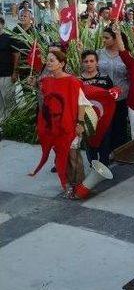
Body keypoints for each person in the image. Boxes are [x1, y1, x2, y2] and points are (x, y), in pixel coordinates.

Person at [31, 51, 90, 198]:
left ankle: (79, 188)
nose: (49, 63)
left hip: (70, 125)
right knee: (60, 157)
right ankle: (68, 185)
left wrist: (80, 123)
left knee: (73, 157)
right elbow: (45, 102)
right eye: (48, 60)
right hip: (54, 127)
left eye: (52, 60)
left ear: (62, 64)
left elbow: (81, 104)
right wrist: (34, 85)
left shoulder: (73, 81)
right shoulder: (46, 81)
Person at [97, 27, 130, 150]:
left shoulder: (125, 55)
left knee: (119, 127)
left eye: (107, 37)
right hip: (103, 99)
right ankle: (105, 155)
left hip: (121, 99)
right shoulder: (98, 53)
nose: (103, 40)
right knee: (104, 128)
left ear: (116, 39)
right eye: (103, 37)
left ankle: (118, 155)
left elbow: (131, 76)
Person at [79, 50, 114, 166]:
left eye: (92, 61)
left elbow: (111, 98)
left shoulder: (106, 79)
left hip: (104, 119)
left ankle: (104, 166)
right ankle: (93, 165)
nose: (89, 64)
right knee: (89, 145)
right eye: (86, 61)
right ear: (82, 63)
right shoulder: (78, 81)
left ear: (97, 63)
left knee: (105, 144)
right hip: (86, 119)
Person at [0, 16, 19, 119]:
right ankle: (2, 125)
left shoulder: (9, 38)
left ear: (2, 25)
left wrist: (15, 72)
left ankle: (12, 125)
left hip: (7, 74)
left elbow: (17, 55)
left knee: (9, 101)